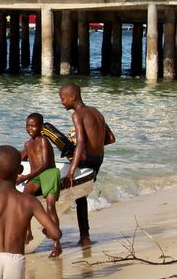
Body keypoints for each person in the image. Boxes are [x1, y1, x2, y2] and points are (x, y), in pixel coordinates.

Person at [0, 146, 61, 279]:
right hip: (16, 261)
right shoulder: (30, 201)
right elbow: (56, 233)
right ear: (20, 170)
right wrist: (46, 232)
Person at [60, 83, 115, 246]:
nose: (62, 102)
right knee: (81, 196)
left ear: (72, 97)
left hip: (86, 158)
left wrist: (70, 172)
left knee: (48, 130)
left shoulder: (77, 115)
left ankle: (84, 237)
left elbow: (81, 143)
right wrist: (95, 145)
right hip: (98, 159)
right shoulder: (97, 112)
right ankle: (85, 236)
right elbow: (111, 139)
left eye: (63, 98)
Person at [19, 112, 62, 257]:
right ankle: (28, 232)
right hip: (36, 176)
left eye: (33, 126)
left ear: (41, 127)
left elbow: (45, 164)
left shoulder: (43, 140)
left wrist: (26, 176)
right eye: (27, 126)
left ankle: (57, 245)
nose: (30, 129)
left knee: (50, 206)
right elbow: (20, 157)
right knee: (24, 199)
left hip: (49, 172)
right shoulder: (28, 144)